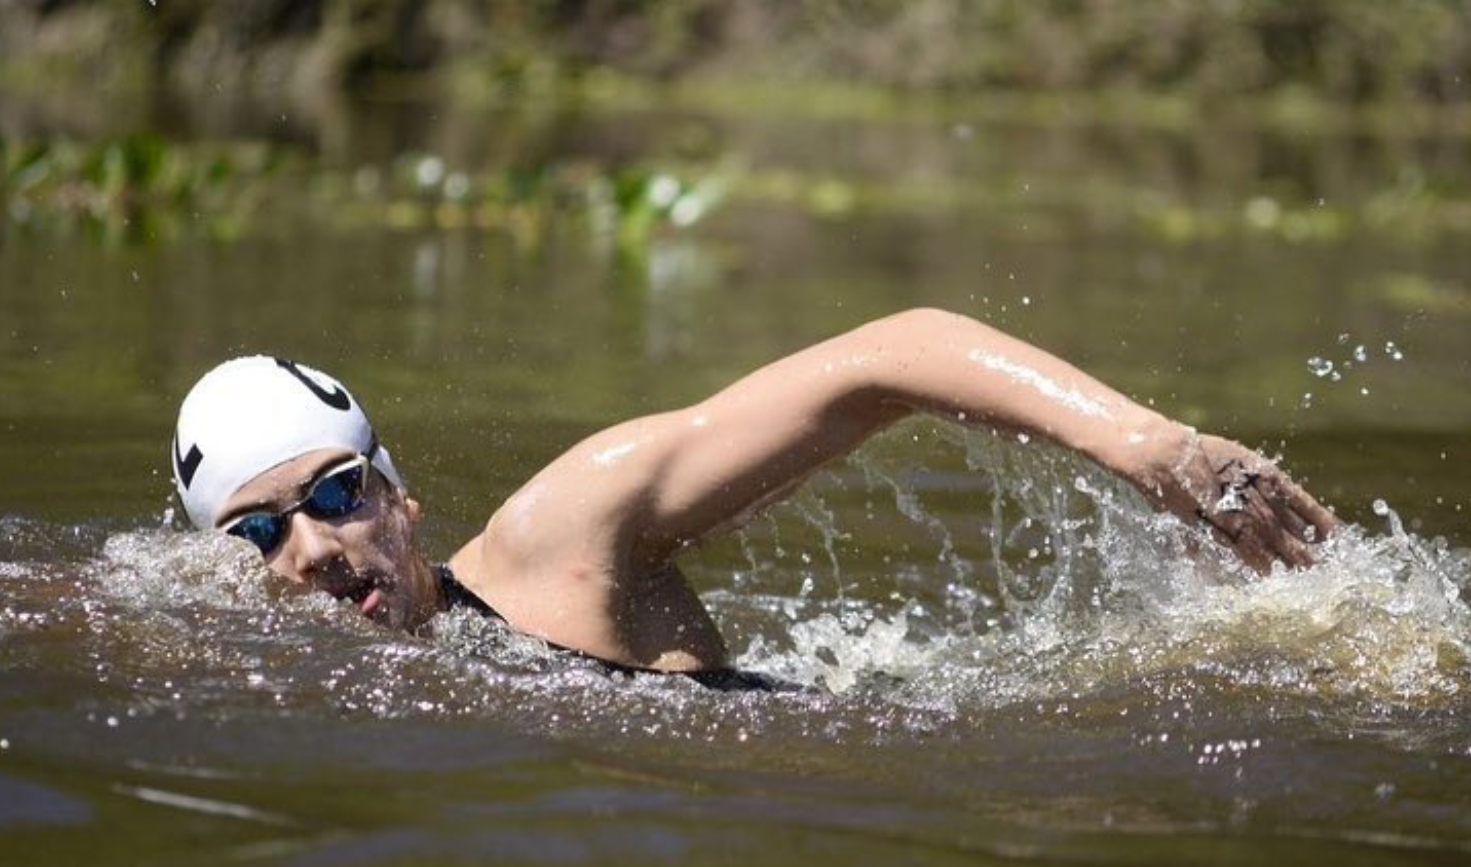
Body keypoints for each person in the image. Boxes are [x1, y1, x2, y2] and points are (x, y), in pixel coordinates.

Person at [171, 308, 1339, 684]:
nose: (315, 545)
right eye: (262, 531)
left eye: (336, 491)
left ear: (399, 491)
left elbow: (897, 351)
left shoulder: (558, 542)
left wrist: (1147, 445)